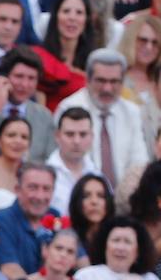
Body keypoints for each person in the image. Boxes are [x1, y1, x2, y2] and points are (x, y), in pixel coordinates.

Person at [56, 49, 150, 187]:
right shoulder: (68, 109)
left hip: (124, 199)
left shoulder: (132, 112)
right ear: (87, 79)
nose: (107, 88)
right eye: (101, 80)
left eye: (114, 82)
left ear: (122, 82)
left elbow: (139, 164)